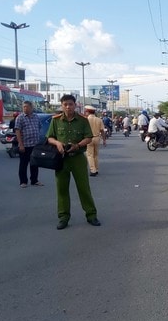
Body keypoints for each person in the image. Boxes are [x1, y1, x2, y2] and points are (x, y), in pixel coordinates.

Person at [46, 94, 100, 230]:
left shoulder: (82, 120)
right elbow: (49, 138)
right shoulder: (56, 120)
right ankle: (63, 217)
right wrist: (57, 143)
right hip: (61, 159)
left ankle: (91, 215)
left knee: (84, 188)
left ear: (75, 105)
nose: (68, 107)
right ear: (62, 106)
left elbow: (88, 137)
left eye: (70, 104)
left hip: (78, 158)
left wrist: (77, 145)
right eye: (65, 104)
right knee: (62, 189)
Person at [14, 101, 43, 188]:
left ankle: (34, 180)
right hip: (25, 145)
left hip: (35, 145)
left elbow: (39, 127)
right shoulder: (20, 118)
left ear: (31, 107)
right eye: (24, 107)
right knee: (23, 164)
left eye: (27, 107)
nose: (25, 108)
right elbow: (17, 131)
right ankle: (23, 181)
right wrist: (21, 144)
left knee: (34, 163)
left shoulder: (36, 117)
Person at [84, 105, 105, 177]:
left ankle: (93, 170)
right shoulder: (99, 120)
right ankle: (96, 169)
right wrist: (104, 140)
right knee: (96, 154)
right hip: (97, 138)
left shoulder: (86, 120)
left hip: (89, 139)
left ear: (87, 112)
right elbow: (102, 131)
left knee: (90, 155)